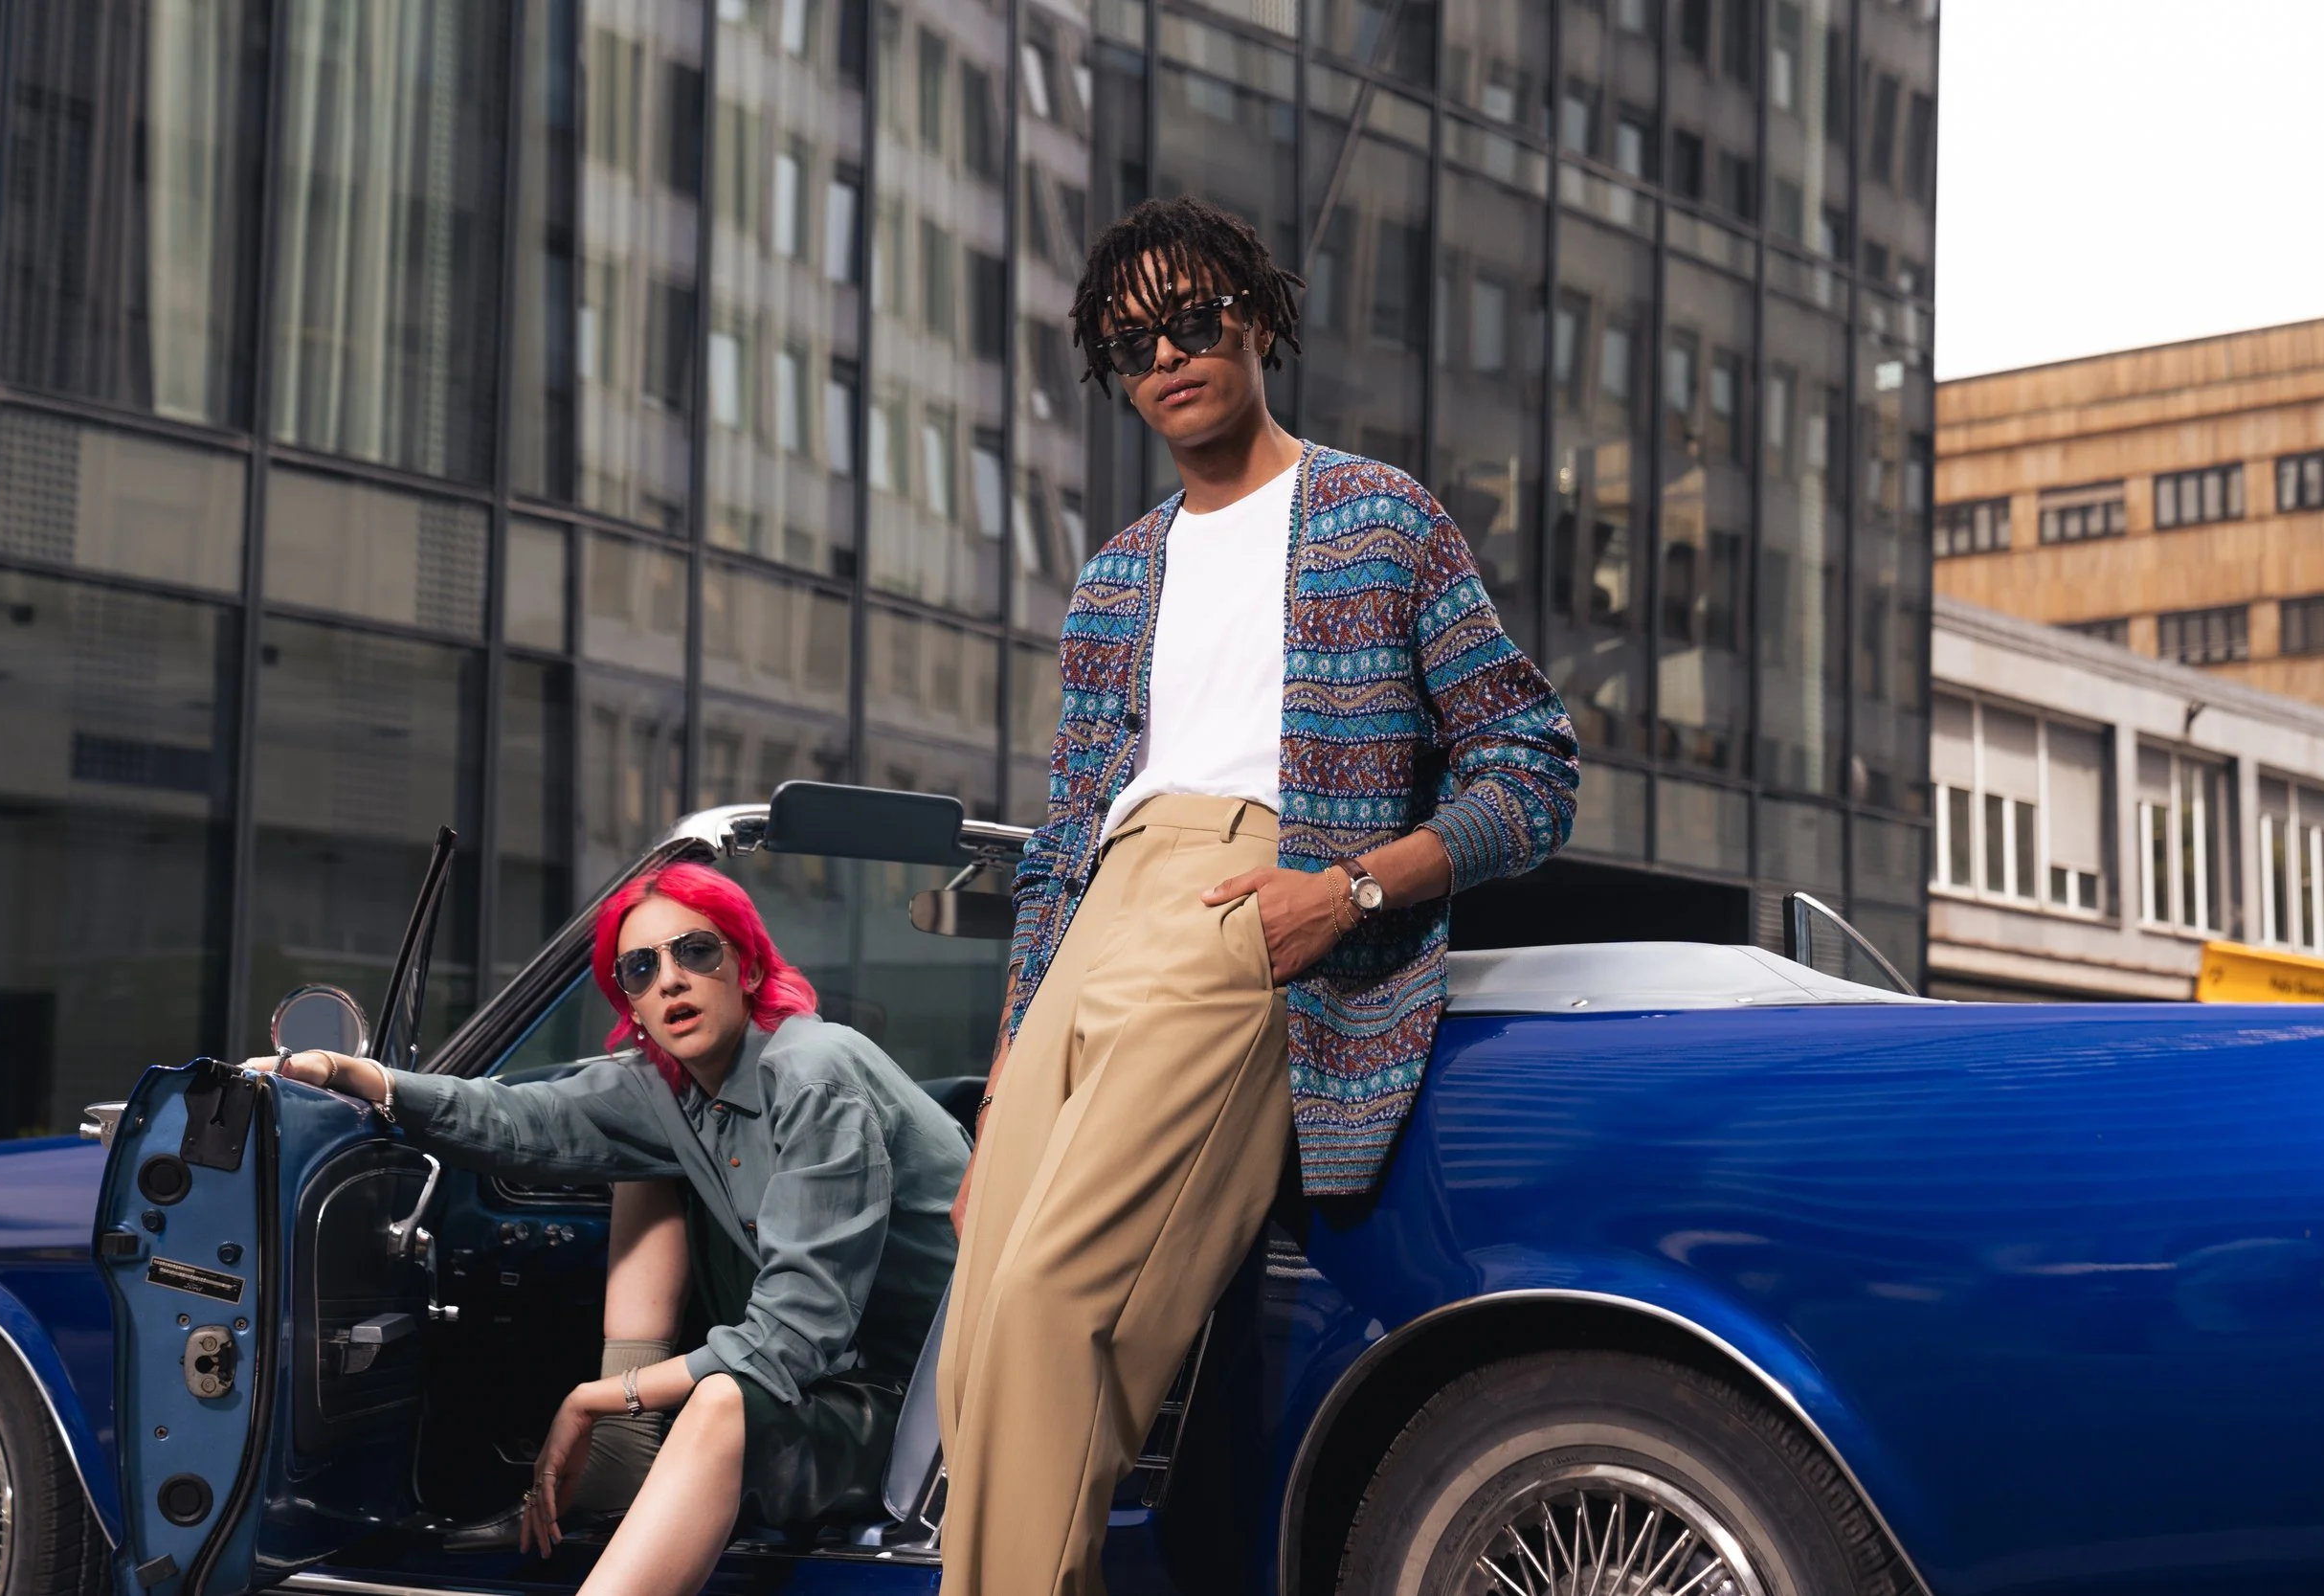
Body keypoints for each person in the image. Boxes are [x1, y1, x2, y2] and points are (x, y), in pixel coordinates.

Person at [934, 195, 1581, 1596]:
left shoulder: (1380, 517)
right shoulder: (1116, 574)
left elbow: (1531, 769)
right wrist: (1003, 1082)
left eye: (1191, 319)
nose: (1167, 354)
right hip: (1097, 914)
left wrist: (1348, 890)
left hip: (1250, 900)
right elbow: (1058, 846)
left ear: (1256, 317)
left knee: (1053, 1309)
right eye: (1133, 342)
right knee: (976, 1337)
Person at [256, 863, 967, 1596]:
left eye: (696, 951)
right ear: (631, 1001)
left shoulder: (813, 1071)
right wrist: (352, 1074)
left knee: (722, 1400)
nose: (671, 980)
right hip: (843, 1384)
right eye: (641, 968)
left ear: (749, 966)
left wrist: (601, 1396)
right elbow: (517, 1117)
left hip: (932, 1416)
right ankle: (620, 1481)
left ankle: (619, 1480)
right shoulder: (676, 1091)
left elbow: (792, 1339)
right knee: (642, 1161)